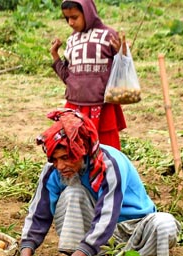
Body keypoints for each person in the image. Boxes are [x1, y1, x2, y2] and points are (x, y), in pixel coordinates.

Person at [11, 109, 179, 256]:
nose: (60, 166)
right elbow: (38, 215)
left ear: (82, 151)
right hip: (97, 236)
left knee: (165, 224)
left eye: (66, 158)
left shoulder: (108, 165)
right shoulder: (53, 170)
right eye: (55, 159)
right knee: (73, 193)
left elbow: (107, 217)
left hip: (134, 230)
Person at [50, 0, 126, 150]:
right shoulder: (72, 40)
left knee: (106, 151)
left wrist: (122, 55)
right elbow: (68, 77)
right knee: (75, 150)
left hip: (102, 106)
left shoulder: (108, 36)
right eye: (67, 18)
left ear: (88, 13)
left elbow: (122, 72)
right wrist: (55, 56)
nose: (70, 23)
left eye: (74, 17)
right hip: (75, 105)